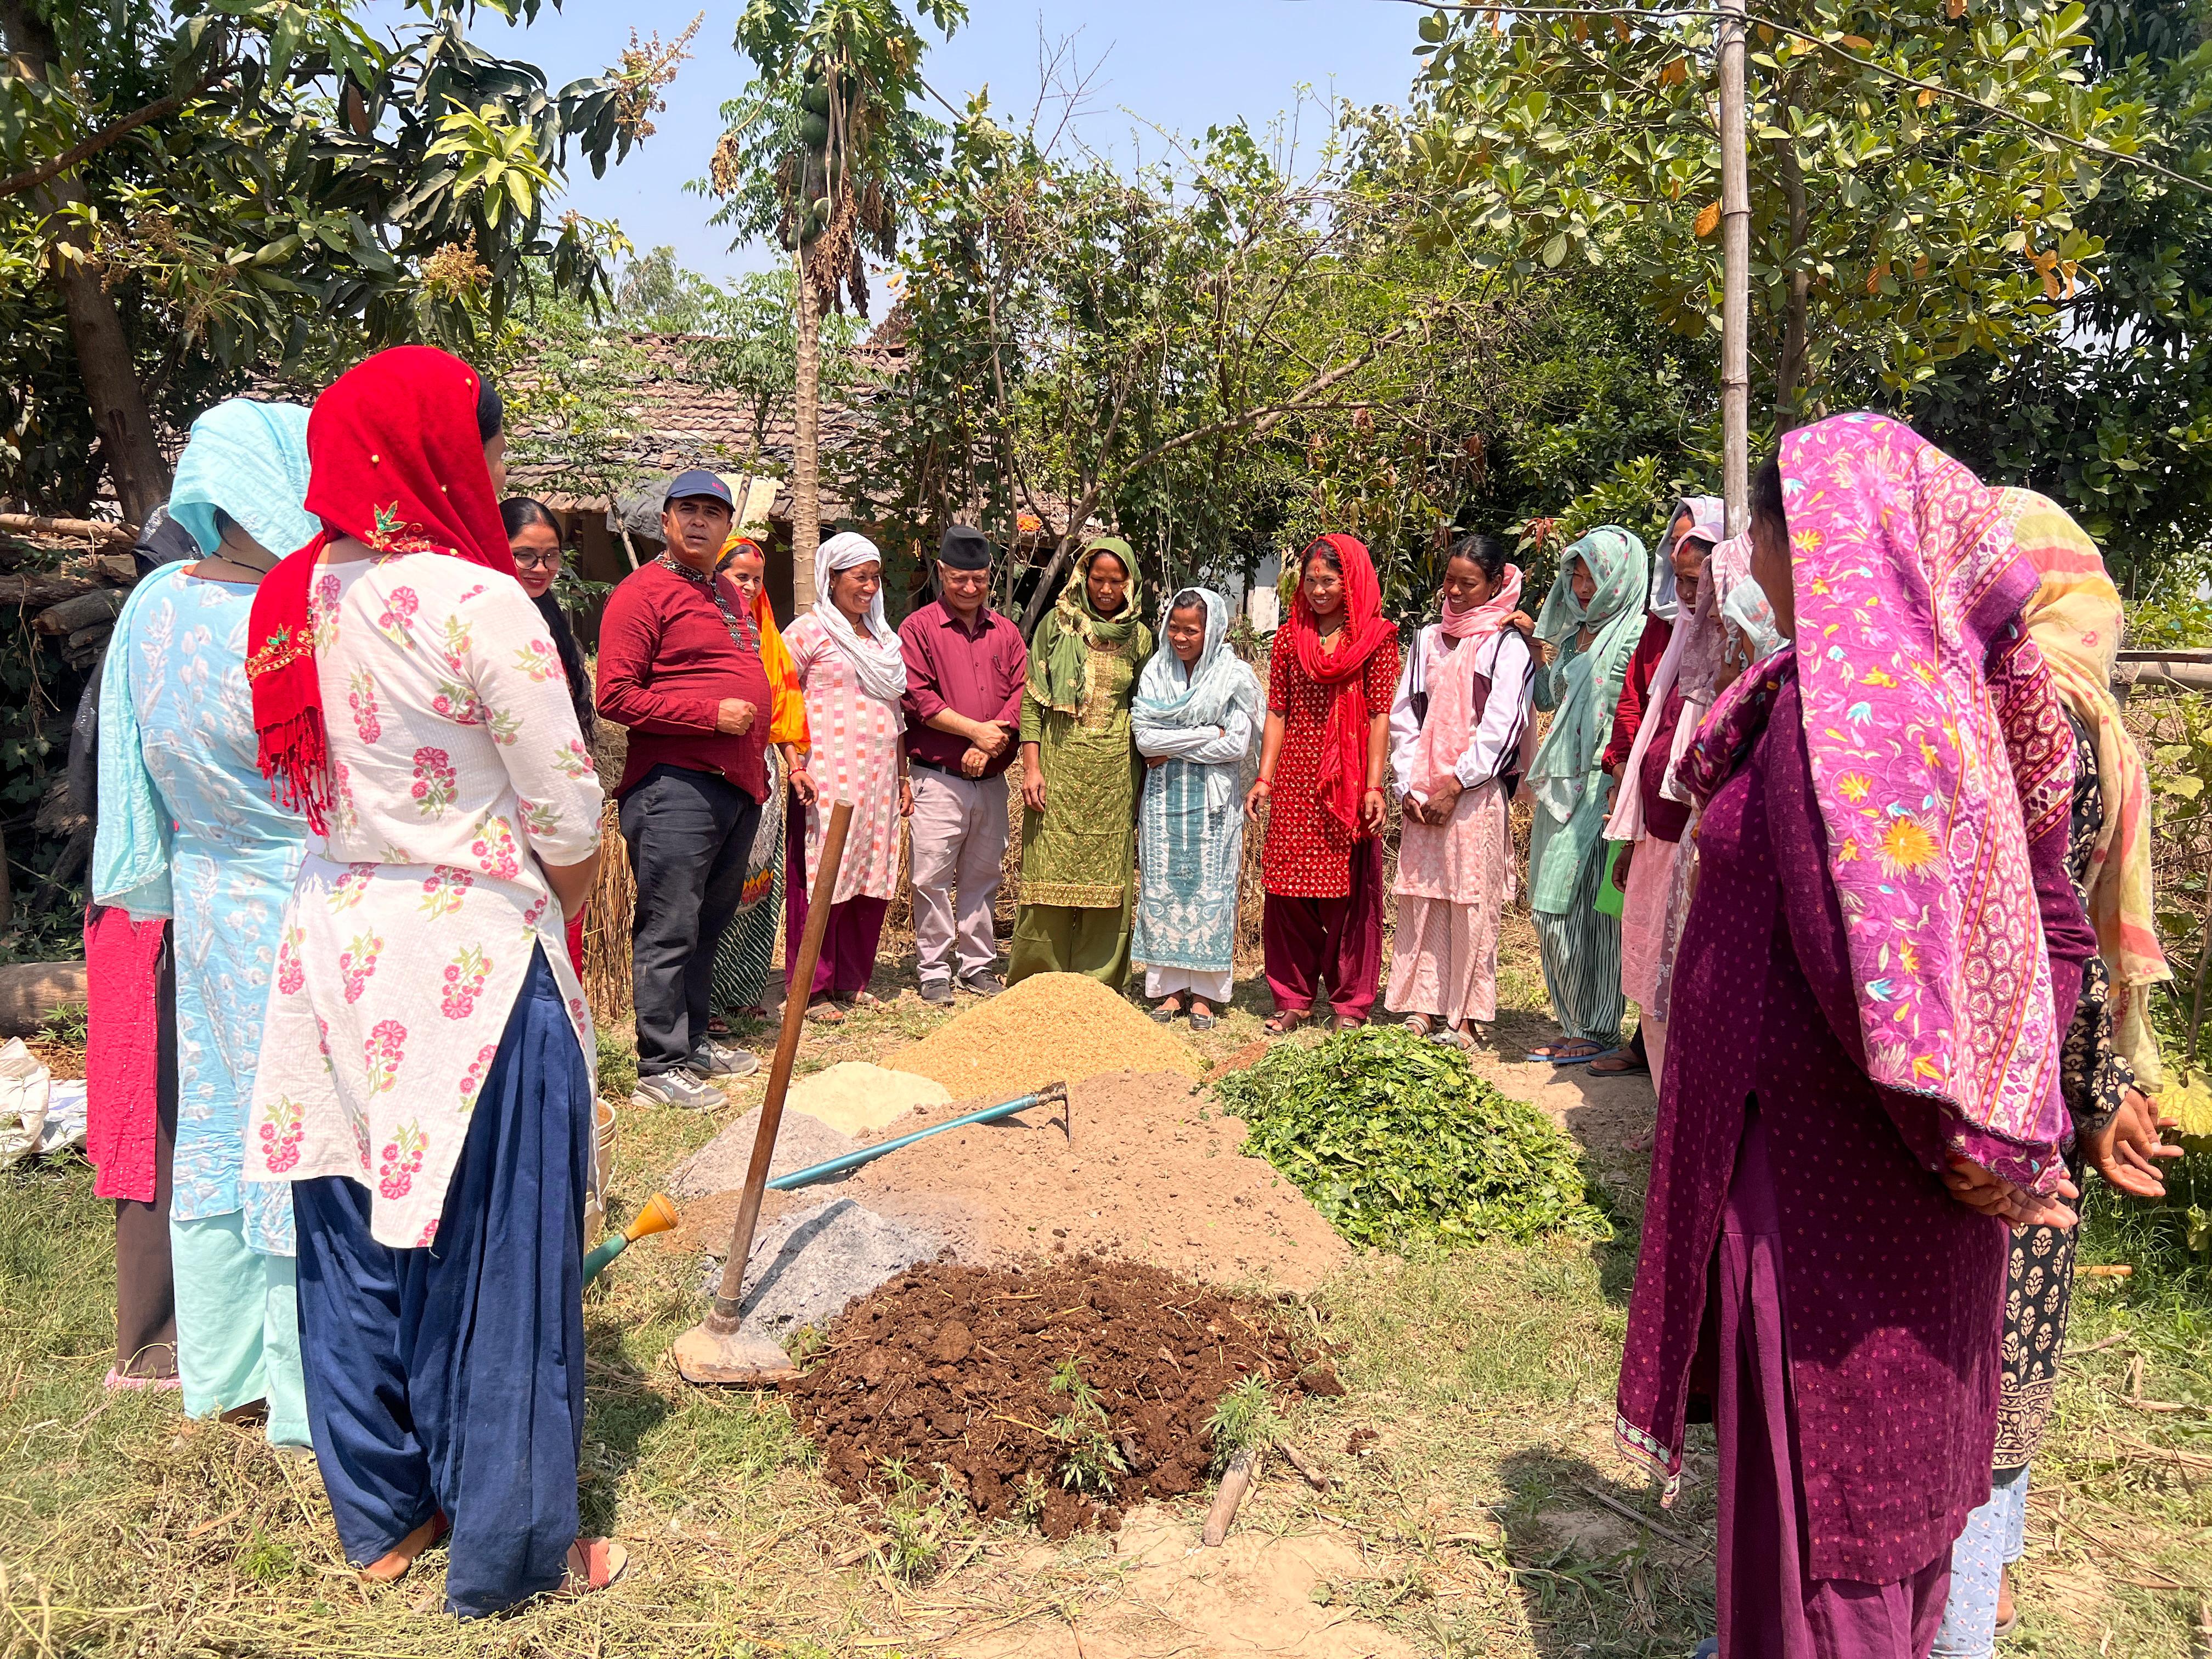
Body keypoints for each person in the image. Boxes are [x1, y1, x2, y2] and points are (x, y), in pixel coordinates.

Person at [1616, 415, 2100, 1658]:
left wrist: (1971, 1146)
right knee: (1894, 1519)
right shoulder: (1946, 703)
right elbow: (2051, 921)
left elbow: (1861, 976)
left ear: (1829, 537)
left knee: (1833, 1536)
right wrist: (2012, 1133)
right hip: (1912, 1198)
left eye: (1772, 526)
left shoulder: (1841, 730)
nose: (1760, 555)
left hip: (1833, 1201)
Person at [241, 347, 622, 1610]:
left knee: (351, 1229)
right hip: (464, 954)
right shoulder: (480, 604)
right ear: (450, 458)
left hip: (333, 946)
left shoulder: (293, 598)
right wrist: (546, 913)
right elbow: (570, 820)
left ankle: (388, 1516)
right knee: (498, 1245)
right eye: (489, 449)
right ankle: (515, 1546)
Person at [1931, 491, 2180, 1659]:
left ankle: (1957, 1611)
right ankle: (1990, 1590)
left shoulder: (2002, 710)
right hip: (2043, 1095)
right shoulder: (2097, 721)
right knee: (2008, 1356)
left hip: (1974, 1099)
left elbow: (2035, 939)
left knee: (1960, 1364)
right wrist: (2097, 1094)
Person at [91, 398, 318, 1444]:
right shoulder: (294, 617)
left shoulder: (151, 604)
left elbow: (127, 772)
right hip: (305, 895)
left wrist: (146, 879)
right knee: (307, 1125)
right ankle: (310, 1383)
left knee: (224, 1119)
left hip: (201, 892)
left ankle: (222, 1366)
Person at [596, 469, 770, 1106]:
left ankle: (693, 1041)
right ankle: (659, 1067)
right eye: (686, 510)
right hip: (674, 785)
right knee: (669, 924)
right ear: (666, 522)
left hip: (732, 785)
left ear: (728, 528)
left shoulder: (728, 591)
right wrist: (709, 717)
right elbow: (613, 694)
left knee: (707, 921)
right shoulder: (641, 593)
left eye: (712, 512)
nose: (699, 521)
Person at [1383, 533, 1533, 1048]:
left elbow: (1503, 725)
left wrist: (1458, 783)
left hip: (1472, 793)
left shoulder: (1506, 646)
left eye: (1467, 584)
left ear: (1495, 584)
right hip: (1424, 794)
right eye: (1448, 580)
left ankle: (1466, 1015)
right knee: (1423, 898)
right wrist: (1408, 781)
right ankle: (1423, 1004)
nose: (1453, 591)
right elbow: (1407, 714)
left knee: (1470, 901)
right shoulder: (1426, 640)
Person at [1593, 498, 1724, 1079]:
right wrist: (1629, 820)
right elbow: (1642, 710)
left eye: (1696, 573)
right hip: (1653, 823)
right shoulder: (1671, 633)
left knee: (1684, 969)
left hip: (1692, 833)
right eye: (1678, 569)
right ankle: (1659, 1078)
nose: (1684, 582)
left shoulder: (1735, 645)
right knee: (1649, 960)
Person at [1247, 534, 1400, 1033]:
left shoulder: (1376, 639)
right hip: (1295, 775)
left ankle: (1350, 1003)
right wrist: (1265, 777)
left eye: (1328, 580)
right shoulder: (1291, 638)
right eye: (1311, 580)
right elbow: (1277, 709)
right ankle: (1292, 998)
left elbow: (1380, 716)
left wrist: (1374, 787)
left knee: (1348, 896)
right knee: (1288, 891)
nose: (1317, 590)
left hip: (1349, 781)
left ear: (1350, 581)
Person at [1524, 526, 1648, 1065]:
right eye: (1574, 574)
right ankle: (1575, 1021)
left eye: (1589, 575)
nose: (1578, 586)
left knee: (1595, 916)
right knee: (1550, 907)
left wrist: (1621, 784)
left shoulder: (1636, 636)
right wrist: (1541, 651)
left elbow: (1634, 717)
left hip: (1602, 787)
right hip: (1562, 785)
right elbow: (1549, 697)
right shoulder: (1581, 633)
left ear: (1616, 579)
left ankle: (1597, 1028)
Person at [1010, 539, 1154, 988]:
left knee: (1109, 873)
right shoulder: (1057, 625)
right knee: (1047, 869)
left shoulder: (1141, 637)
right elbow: (1032, 703)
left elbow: (1148, 709)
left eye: (1117, 581)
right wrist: (1032, 768)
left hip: (1114, 772)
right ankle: (1040, 978)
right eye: (1098, 579)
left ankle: (1100, 981)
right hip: (1057, 765)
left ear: (1130, 584)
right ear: (1083, 577)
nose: (1107, 589)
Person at [900, 524, 1029, 1003]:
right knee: (930, 876)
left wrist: (991, 742)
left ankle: (978, 965)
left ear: (989, 576)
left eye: (978, 579)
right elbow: (918, 697)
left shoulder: (1008, 633)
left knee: (982, 875)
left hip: (991, 781)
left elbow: (1021, 694)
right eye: (959, 579)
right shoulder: (918, 629)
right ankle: (934, 968)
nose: (970, 588)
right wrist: (975, 732)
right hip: (938, 778)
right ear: (941, 573)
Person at [783, 531, 910, 1020]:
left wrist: (903, 777)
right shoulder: (807, 632)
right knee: (823, 875)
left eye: (875, 578)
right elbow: (782, 701)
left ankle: (853, 980)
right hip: (828, 774)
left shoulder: (883, 640)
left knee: (870, 873)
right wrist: (795, 762)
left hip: (879, 778)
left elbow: (896, 713)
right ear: (831, 578)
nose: (870, 588)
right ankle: (813, 989)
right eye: (860, 577)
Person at [1131, 586, 1261, 1029]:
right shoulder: (1155, 672)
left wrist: (1177, 745)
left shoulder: (1234, 676)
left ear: (1214, 630)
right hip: (1163, 800)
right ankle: (1169, 993)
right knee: (1163, 890)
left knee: (1212, 893)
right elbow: (1145, 739)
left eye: (1192, 630)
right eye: (1175, 627)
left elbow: (1237, 744)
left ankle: (1205, 996)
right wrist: (1207, 733)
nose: (1181, 638)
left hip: (1214, 804)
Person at [709, 532, 813, 1024]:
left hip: (767, 772)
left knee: (759, 883)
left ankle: (745, 989)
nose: (748, 587)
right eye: (738, 576)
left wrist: (795, 765)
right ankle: (703, 1000)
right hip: (718, 767)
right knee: (718, 882)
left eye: (756, 579)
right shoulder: (705, 628)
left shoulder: (768, 635)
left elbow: (784, 711)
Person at [501, 497, 596, 979]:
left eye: (551, 556)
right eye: (525, 556)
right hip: (501, 809)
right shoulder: (486, 622)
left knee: (561, 932)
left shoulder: (553, 619)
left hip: (550, 803)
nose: (541, 569)